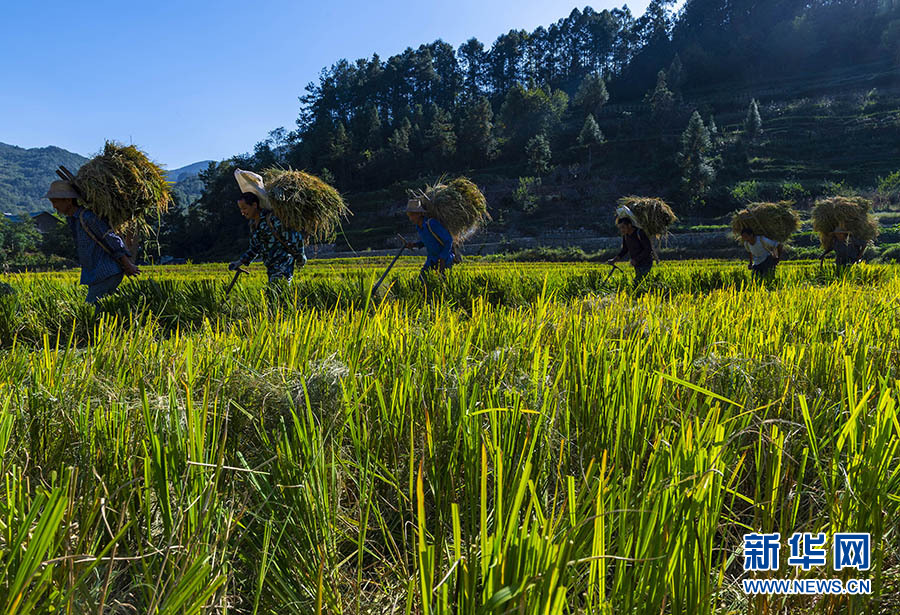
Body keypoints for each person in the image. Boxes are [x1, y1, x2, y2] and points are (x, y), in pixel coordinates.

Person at [45, 180, 139, 303]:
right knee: (104, 311)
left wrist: (128, 265)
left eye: (56, 201)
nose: (54, 206)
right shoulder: (75, 220)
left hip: (106, 272)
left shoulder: (88, 217)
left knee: (92, 309)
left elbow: (111, 239)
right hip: (96, 274)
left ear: (68, 200)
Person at [229, 192, 306, 283]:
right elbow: (255, 248)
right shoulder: (254, 225)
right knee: (272, 294)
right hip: (270, 267)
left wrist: (301, 257)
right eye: (241, 209)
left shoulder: (272, 219)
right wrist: (239, 262)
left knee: (276, 292)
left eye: (245, 208)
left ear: (254, 205)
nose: (243, 212)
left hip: (283, 266)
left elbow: (295, 236)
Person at [403, 199, 454, 277]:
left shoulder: (432, 223)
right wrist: (414, 245)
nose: (411, 218)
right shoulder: (419, 227)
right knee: (421, 281)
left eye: (412, 215)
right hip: (431, 260)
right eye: (409, 215)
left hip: (444, 260)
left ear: (419, 214)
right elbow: (427, 241)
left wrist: (442, 258)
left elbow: (449, 240)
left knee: (443, 284)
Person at [607, 217, 654, 286]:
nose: (621, 230)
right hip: (637, 263)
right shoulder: (626, 236)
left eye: (623, 227)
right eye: (620, 228)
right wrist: (614, 260)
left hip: (646, 262)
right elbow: (625, 250)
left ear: (629, 225)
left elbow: (648, 249)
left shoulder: (640, 233)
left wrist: (636, 259)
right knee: (642, 283)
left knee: (638, 282)